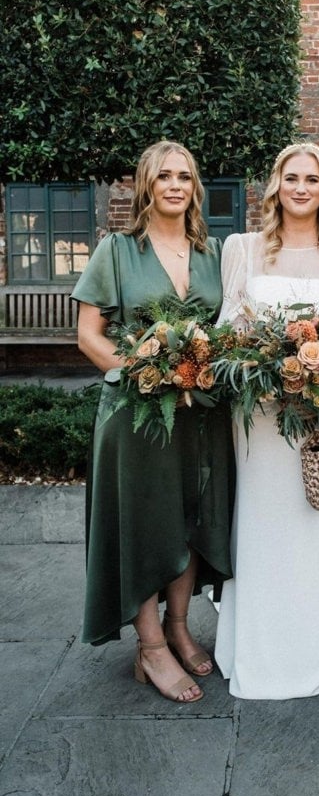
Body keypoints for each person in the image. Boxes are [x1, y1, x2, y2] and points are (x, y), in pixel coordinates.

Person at [72, 141, 235, 704]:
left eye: (184, 177)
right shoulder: (116, 250)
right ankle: (149, 646)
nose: (174, 185)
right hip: (136, 413)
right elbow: (89, 335)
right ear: (146, 185)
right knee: (141, 522)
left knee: (190, 516)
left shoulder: (212, 253)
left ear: (194, 187)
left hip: (200, 415)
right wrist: (139, 372)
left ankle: (180, 626)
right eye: (163, 176)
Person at [214, 142, 319, 699]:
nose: (302, 188)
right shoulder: (242, 248)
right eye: (291, 178)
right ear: (276, 185)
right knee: (265, 525)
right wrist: (263, 366)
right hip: (260, 419)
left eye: (313, 179)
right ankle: (261, 644)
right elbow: (228, 336)